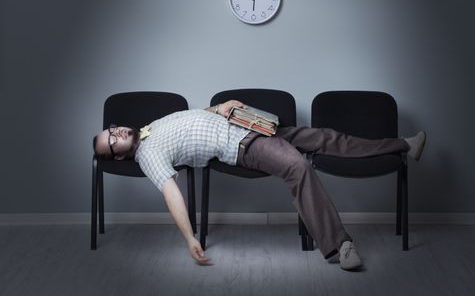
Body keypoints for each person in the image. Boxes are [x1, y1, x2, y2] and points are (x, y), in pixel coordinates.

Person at [93, 100, 426, 271]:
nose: (117, 133)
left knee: (325, 137)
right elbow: (170, 191)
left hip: (247, 125)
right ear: (118, 157)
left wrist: (218, 108)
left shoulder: (150, 129)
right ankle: (341, 247)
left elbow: (193, 118)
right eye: (111, 142)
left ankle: (404, 146)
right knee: (297, 166)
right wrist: (189, 237)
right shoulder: (147, 155)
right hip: (243, 146)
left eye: (112, 129)